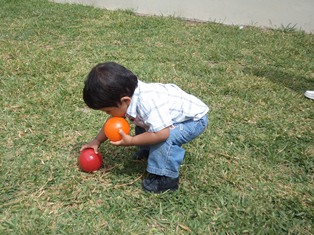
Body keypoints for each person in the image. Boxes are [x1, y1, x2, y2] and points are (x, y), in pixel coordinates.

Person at [80, 62, 209, 193]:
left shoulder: (148, 103)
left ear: (125, 101)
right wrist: (97, 141)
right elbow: (111, 123)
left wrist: (131, 141)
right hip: (167, 118)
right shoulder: (129, 95)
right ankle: (148, 150)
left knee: (165, 138)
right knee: (145, 123)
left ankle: (166, 179)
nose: (109, 115)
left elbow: (162, 133)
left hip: (193, 120)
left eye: (108, 111)